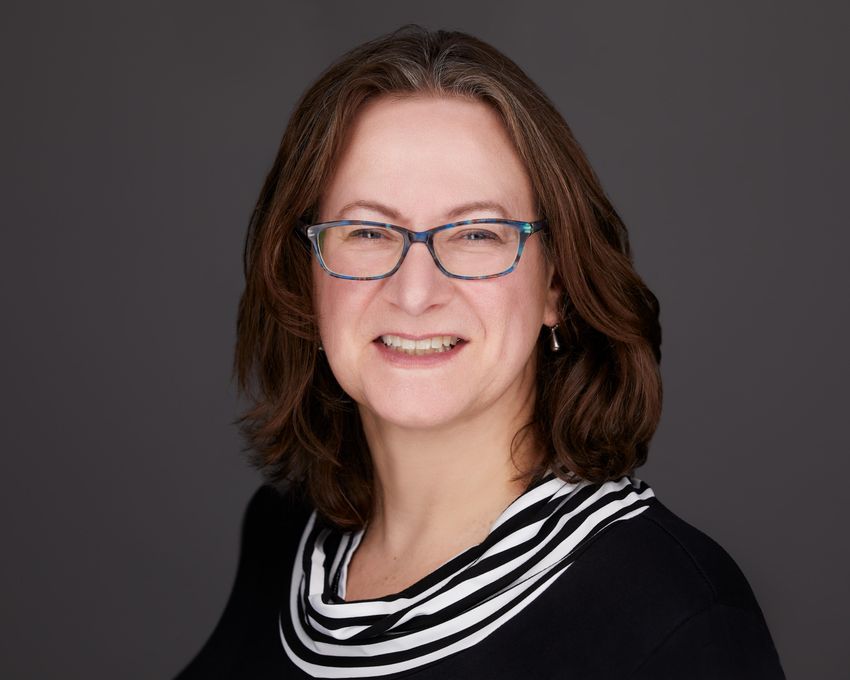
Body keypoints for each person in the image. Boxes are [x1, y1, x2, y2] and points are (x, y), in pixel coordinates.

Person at [175, 25, 786, 679]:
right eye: (367, 231)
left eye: (475, 233)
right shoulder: (285, 535)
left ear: (556, 283)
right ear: (307, 274)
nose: (415, 292)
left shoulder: (674, 614)